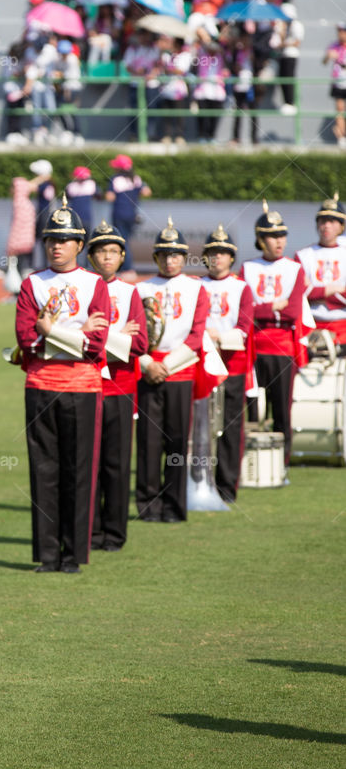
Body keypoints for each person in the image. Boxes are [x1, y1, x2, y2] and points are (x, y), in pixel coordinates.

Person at [15, 199, 110, 572]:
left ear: (80, 244)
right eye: (51, 239)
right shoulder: (32, 283)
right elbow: (26, 340)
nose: (57, 245)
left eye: (66, 239)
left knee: (79, 471)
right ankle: (48, 554)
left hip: (84, 387)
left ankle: (74, 555)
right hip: (40, 385)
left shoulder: (94, 284)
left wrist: (51, 331)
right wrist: (76, 335)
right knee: (43, 472)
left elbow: (97, 345)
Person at [135, 220, 209, 524]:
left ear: (184, 257)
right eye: (164, 255)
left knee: (178, 441)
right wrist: (147, 364)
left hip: (180, 370)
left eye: (175, 254)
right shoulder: (140, 289)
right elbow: (135, 334)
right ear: (156, 258)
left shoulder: (196, 288)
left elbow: (197, 334)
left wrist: (166, 365)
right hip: (148, 370)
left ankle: (174, 505)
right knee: (148, 441)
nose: (170, 260)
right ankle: (147, 505)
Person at [86, 221, 147, 551]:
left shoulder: (129, 291)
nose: (107, 258)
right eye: (101, 252)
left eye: (113, 252)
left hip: (121, 388)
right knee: (88, 462)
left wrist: (96, 338)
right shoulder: (80, 288)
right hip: (85, 385)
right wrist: (117, 337)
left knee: (117, 463)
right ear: (91, 255)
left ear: (122, 256)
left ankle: (115, 533)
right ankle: (90, 531)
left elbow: (140, 345)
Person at [241, 202, 307, 466]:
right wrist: (272, 307)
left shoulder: (294, 269)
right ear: (260, 238)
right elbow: (244, 312)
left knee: (282, 410)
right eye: (272, 236)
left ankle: (282, 462)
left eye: (282, 235)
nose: (278, 241)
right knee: (253, 409)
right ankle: (251, 461)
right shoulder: (248, 268)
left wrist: (260, 310)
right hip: (254, 349)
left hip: (282, 349)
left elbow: (292, 312)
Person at [200, 225, 254, 504]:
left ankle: (226, 487)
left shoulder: (241, 288)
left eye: (222, 253)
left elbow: (244, 327)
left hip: (231, 366)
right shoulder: (197, 285)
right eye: (212, 253)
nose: (217, 257)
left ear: (231, 257)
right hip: (202, 367)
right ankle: (199, 481)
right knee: (199, 429)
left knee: (230, 428)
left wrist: (217, 336)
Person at [295, 195, 346, 346]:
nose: (326, 226)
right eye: (323, 221)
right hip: (312, 326)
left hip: (342, 325)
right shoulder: (303, 255)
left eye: (332, 221)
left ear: (341, 226)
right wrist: (336, 289)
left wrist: (317, 292)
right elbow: (300, 294)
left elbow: (309, 293)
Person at [104, 155, 152, 272]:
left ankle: (127, 268)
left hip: (119, 214)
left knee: (121, 242)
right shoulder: (135, 178)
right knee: (126, 241)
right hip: (132, 215)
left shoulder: (115, 178)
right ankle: (125, 267)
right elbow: (147, 192)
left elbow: (109, 197)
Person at [322, 22, 346, 148]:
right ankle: (342, 137)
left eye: (343, 31)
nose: (340, 34)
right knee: (340, 110)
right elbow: (324, 62)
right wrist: (328, 56)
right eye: (339, 31)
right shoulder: (334, 46)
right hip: (338, 82)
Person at [64, 165, 99, 234]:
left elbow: (67, 197)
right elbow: (98, 196)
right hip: (84, 217)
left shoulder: (71, 186)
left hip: (75, 217)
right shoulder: (91, 185)